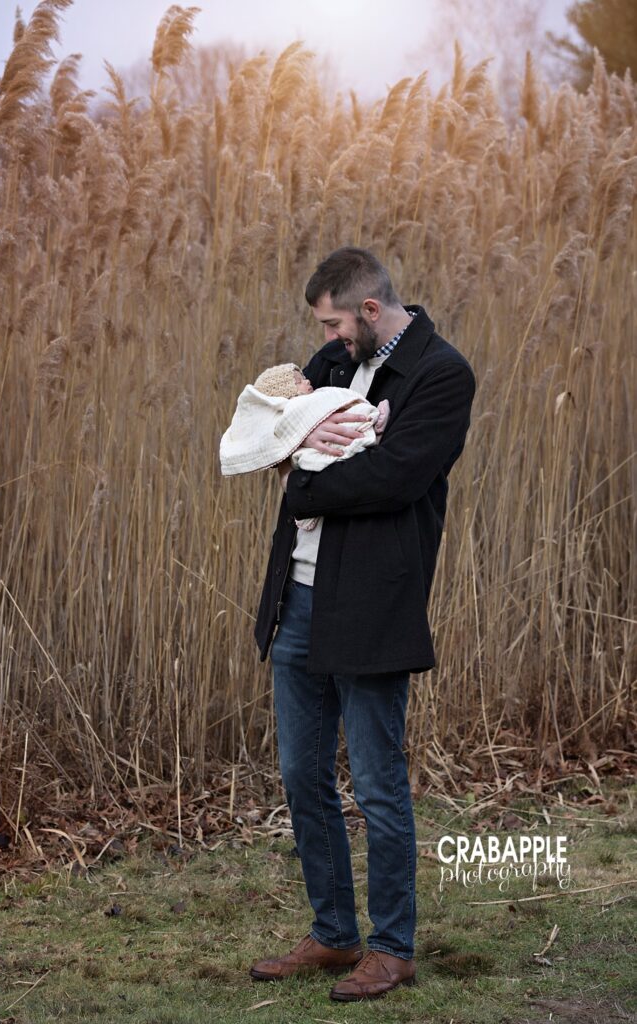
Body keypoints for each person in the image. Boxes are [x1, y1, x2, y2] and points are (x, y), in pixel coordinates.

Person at [249, 247, 476, 1002]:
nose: (328, 339)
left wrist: (306, 474)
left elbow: (395, 477)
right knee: (300, 776)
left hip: (371, 602)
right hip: (299, 596)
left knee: (377, 784)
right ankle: (333, 933)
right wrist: (296, 446)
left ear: (371, 312)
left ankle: (391, 947)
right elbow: (277, 429)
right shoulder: (339, 358)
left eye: (336, 323)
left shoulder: (442, 375)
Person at [219, 362, 390, 530]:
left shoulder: (315, 394)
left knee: (345, 420)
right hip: (315, 459)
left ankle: (368, 423)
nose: (307, 381)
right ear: (284, 394)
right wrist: (300, 433)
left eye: (304, 379)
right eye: (298, 382)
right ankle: (370, 428)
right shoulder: (294, 407)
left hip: (333, 461)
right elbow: (276, 429)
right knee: (328, 449)